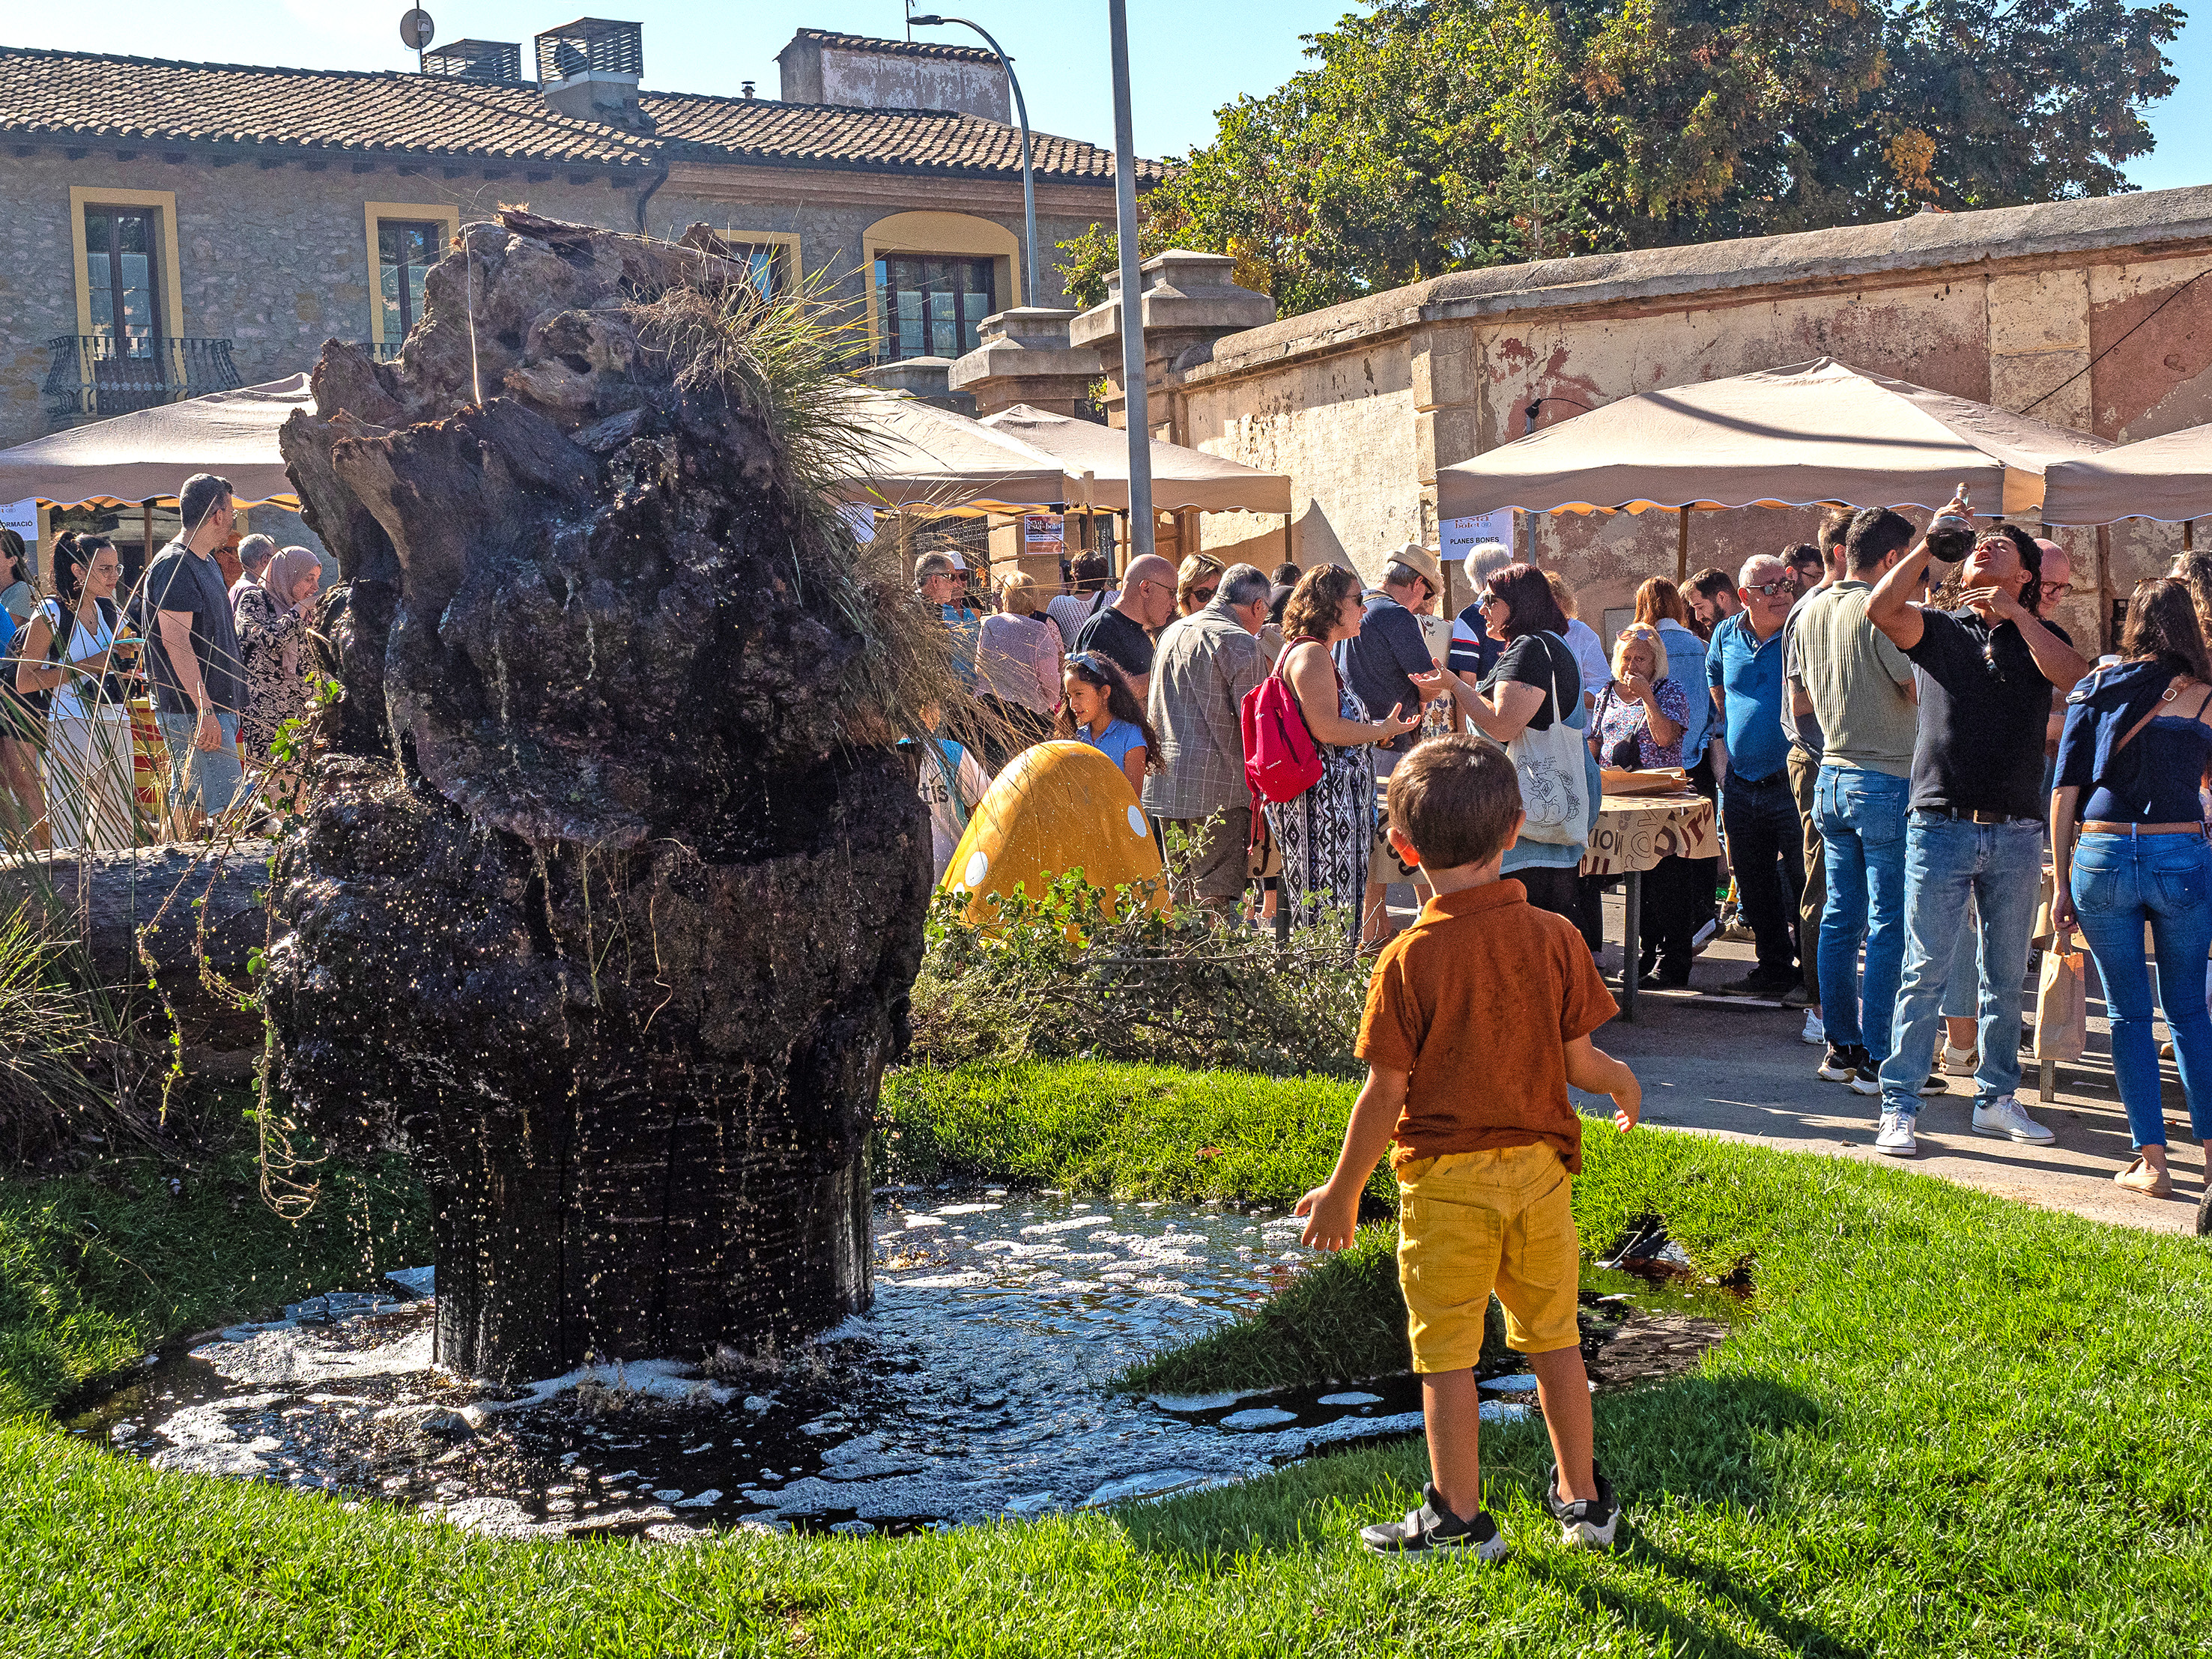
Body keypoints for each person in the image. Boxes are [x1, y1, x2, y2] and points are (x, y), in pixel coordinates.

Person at [1295, 735, 1638, 1558]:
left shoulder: (1407, 958)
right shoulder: (1554, 935)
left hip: (1445, 1184)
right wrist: (1621, 1083)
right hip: (1539, 1173)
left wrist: (1344, 1190)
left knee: (1446, 1351)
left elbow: (1385, 1093)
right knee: (1554, 1337)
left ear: (1403, 846)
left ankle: (1456, 1516)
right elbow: (1579, 1063)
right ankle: (1586, 1504)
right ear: (1515, 828)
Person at [1866, 512, 2091, 1156]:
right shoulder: (1938, 630)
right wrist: (1928, 544)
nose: (1987, 546)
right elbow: (1881, 610)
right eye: (1978, 546)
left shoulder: (2039, 633)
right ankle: (1898, 1105)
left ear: (2025, 577)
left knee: (2002, 975)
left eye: (2005, 549)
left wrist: (2019, 616)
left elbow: (2078, 681)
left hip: (2017, 830)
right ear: (1962, 566)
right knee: (1924, 971)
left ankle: (1995, 1098)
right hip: (1940, 823)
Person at [2049, 579, 2212, 1215]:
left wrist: (2060, 881)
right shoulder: (2203, 696)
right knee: (2189, 1014)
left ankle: (2152, 1164)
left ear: (2131, 625)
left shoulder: (2093, 687)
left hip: (2102, 850)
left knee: (2125, 1014)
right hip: (2179, 853)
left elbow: (2064, 790)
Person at [1793, 509, 1921, 1095]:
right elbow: (1915, 686)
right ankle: (1875, 1054)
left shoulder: (1810, 607)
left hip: (1833, 774)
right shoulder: (1880, 611)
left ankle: (1840, 1046)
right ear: (1891, 560)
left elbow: (1800, 697)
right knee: (1888, 921)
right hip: (1884, 776)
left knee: (1841, 917)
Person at [1436, 562, 1599, 936]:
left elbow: (1503, 724)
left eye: (1490, 600)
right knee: (1552, 920)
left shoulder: (1530, 649)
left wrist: (1456, 686)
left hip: (1531, 809)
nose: (1482, 609)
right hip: (1547, 805)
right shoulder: (1548, 645)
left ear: (1518, 604)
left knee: (1531, 921)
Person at [1266, 565, 1421, 937]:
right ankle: (1321, 992)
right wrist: (1379, 731)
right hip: (1323, 812)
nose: (1364, 609)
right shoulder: (1313, 655)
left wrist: (1373, 734)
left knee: (1330, 914)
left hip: (1327, 809)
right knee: (1328, 919)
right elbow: (1326, 728)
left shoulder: (1317, 653)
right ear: (1331, 606)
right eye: (1356, 600)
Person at [1142, 564, 1273, 916]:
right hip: (1219, 791)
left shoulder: (1172, 632)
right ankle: (1214, 972)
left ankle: (1184, 970)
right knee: (1215, 903)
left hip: (1166, 786)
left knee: (1181, 899)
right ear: (1258, 607)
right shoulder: (1241, 643)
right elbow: (1254, 727)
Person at [1339, 544, 1449, 944]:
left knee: (1375, 843)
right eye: (1428, 595)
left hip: (1356, 743)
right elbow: (1426, 678)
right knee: (1403, 838)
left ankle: (1375, 930)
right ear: (1417, 584)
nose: (1426, 605)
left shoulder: (1358, 607)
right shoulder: (1395, 614)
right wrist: (1432, 692)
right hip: (1390, 743)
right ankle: (1424, 924)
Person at [1706, 555, 1807, 997]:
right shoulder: (1725, 634)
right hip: (1742, 781)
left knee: (1806, 883)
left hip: (1792, 781)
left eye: (1785, 583)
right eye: (1769, 588)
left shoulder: (1800, 631)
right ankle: (1773, 968)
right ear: (1744, 596)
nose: (1782, 593)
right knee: (1753, 880)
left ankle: (1813, 976)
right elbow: (1717, 687)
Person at [13, 533, 137, 850]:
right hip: (70, 725)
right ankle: (72, 896)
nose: (113, 577)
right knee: (69, 826)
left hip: (114, 719)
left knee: (119, 827)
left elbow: (109, 666)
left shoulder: (108, 609)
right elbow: (25, 680)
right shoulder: (51, 612)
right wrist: (98, 662)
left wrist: (125, 666)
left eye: (116, 569)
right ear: (78, 571)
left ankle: (115, 894)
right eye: (104, 569)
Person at [1588, 624, 1695, 983]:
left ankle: (1670, 962)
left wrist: (1649, 697)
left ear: (1656, 662)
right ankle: (1641, 958)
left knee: (1665, 884)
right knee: (1632, 882)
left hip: (1659, 800)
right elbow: (1596, 742)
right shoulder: (1606, 694)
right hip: (1617, 799)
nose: (1633, 665)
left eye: (1641, 658)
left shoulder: (1670, 690)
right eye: (1627, 658)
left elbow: (1665, 738)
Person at [144, 472, 249, 830]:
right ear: (218, 514)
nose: (233, 518)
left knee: (189, 803)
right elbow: (176, 641)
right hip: (196, 709)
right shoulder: (175, 564)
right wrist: (205, 709)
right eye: (231, 510)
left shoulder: (203, 562)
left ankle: (171, 876)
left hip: (209, 707)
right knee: (229, 811)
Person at [1778, 517, 1849, 1034]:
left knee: (1845, 889)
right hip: (1820, 756)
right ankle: (1819, 1008)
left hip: (1843, 757)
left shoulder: (1836, 605)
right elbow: (1801, 702)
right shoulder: (1810, 611)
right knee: (1821, 884)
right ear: (1844, 553)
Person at [1634, 575, 1721, 952]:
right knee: (1696, 845)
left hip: (1655, 761)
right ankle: (1701, 919)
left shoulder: (1639, 650)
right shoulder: (1702, 646)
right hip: (1698, 757)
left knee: (1656, 855)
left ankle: (1663, 938)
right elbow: (1713, 709)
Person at [233, 545, 322, 761]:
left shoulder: (307, 614)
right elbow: (271, 640)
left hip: (304, 716)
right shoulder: (254, 600)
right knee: (272, 785)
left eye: (317, 579)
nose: (316, 587)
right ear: (288, 574)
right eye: (308, 578)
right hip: (267, 718)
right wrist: (299, 610)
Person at [975, 571, 1064, 769]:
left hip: (992, 709)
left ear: (1006, 597)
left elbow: (980, 667)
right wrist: (1049, 701)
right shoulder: (1039, 630)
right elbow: (1050, 679)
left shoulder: (989, 624)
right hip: (1030, 716)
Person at [1074, 552, 1176, 700]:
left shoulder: (1138, 631)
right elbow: (1093, 697)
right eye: (1171, 593)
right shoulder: (1103, 628)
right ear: (1146, 588)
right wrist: (1162, 673)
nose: (1175, 603)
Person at [1057, 650, 1157, 799]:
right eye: (1069, 696)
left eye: (1079, 694)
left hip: (1120, 821)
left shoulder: (1130, 736)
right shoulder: (1077, 737)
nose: (1072, 704)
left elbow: (1132, 799)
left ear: (1104, 692)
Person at [0, 531, 46, 851]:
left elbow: (17, 648)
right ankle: (18, 857)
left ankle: (46, 859)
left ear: (12, 559)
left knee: (24, 780)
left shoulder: (19, 593)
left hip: (16, 692)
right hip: (8, 690)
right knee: (7, 783)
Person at [912, 703, 991, 884]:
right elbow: (985, 807)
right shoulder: (952, 752)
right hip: (957, 866)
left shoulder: (890, 755)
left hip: (913, 871)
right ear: (926, 710)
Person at [1447, 541, 1515, 689]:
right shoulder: (1519, 608)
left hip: (1486, 700)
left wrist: (1464, 713)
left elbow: (1466, 681)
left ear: (1475, 577)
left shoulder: (1469, 617)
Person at [915, 551, 982, 691]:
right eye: (952, 578)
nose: (956, 585)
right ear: (935, 580)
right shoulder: (917, 612)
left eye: (963, 577)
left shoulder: (933, 609)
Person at [1547, 571, 1610, 713]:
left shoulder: (1580, 633)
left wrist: (1560, 706)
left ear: (1562, 601)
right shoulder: (1529, 636)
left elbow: (1601, 687)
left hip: (1579, 730)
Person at [1046, 553, 1114, 652]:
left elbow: (1052, 631)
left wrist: (1064, 588)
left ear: (1074, 576)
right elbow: (1113, 593)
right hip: (1108, 665)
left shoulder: (1059, 603)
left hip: (1076, 666)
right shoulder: (1114, 598)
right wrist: (1102, 581)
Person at [1685, 568, 1741, 640]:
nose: (1698, 617)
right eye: (1695, 609)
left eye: (1700, 607)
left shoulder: (1755, 624)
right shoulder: (1718, 636)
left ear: (1722, 597)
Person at [231, 533, 276, 607]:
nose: (275, 563)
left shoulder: (236, 588)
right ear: (265, 560)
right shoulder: (253, 593)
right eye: (273, 558)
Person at [1175, 553, 1225, 618]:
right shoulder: (1178, 628)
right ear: (1185, 601)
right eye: (1203, 594)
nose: (1213, 600)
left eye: (1218, 593)